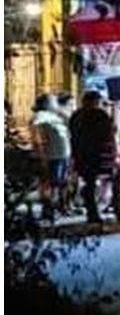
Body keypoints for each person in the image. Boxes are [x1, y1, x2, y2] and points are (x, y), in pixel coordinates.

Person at [68, 91, 116, 225]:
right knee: (100, 182)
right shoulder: (100, 115)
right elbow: (108, 134)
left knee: (89, 182)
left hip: (81, 155)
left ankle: (92, 210)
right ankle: (95, 211)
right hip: (98, 155)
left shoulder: (76, 116)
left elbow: (72, 134)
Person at [31, 93, 70, 221]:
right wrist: (42, 155)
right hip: (51, 155)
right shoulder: (40, 116)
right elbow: (36, 134)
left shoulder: (55, 116)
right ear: (46, 104)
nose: (56, 104)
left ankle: (59, 206)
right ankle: (48, 209)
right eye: (53, 101)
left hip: (62, 154)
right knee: (50, 183)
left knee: (60, 182)